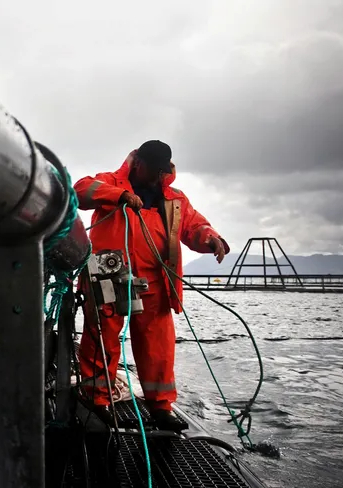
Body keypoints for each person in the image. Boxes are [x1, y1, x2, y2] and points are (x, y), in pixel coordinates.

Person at [73, 140, 230, 430]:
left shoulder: (175, 198)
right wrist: (119, 195)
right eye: (153, 171)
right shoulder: (109, 181)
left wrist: (212, 239)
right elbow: (80, 191)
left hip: (156, 280)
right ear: (139, 164)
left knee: (158, 344)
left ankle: (160, 406)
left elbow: (193, 227)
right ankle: (97, 400)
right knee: (102, 337)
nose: (158, 178)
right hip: (110, 274)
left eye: (163, 172)